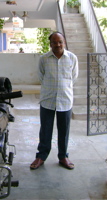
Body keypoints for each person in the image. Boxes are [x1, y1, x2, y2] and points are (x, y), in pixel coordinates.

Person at [30, 32, 78, 170]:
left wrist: (63, 87)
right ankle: (41, 156)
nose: (58, 45)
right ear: (50, 44)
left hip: (65, 100)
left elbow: (73, 78)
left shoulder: (72, 58)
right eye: (54, 42)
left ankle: (63, 156)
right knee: (45, 130)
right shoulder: (44, 59)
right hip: (48, 100)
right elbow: (41, 76)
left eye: (60, 42)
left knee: (64, 130)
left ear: (64, 42)